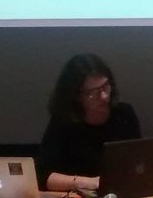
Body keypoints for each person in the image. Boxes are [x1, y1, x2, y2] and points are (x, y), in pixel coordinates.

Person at [37, 53, 141, 193]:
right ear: (76, 96)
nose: (104, 96)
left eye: (105, 86)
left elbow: (139, 163)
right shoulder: (64, 121)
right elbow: (43, 177)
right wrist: (88, 183)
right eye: (93, 93)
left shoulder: (124, 114)